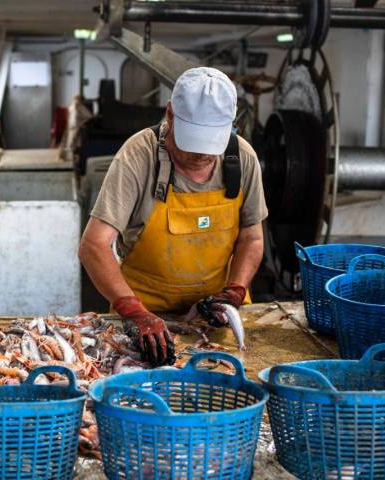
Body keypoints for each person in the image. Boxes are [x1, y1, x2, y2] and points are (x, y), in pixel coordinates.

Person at [79, 67, 267, 366]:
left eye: (210, 145)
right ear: (170, 115)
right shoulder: (138, 156)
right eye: (193, 143)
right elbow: (94, 245)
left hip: (216, 317)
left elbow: (252, 237)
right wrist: (134, 311)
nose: (202, 156)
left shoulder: (242, 158)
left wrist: (234, 291)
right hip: (146, 319)